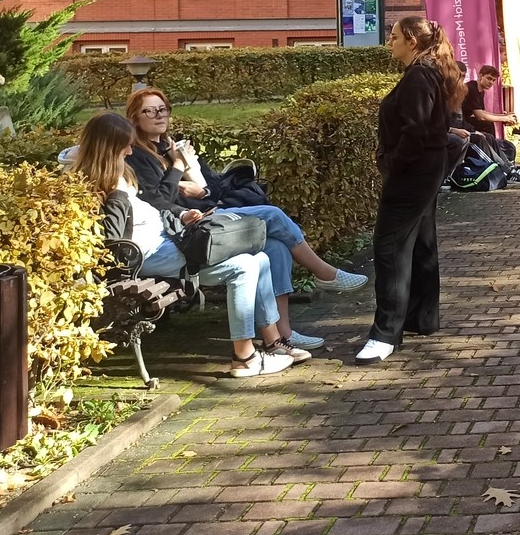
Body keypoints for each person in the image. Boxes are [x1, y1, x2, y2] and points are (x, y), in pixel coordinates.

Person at [124, 87, 367, 350]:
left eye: (163, 109)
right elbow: (156, 200)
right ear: (135, 118)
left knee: (276, 247)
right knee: (273, 215)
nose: (159, 115)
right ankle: (324, 273)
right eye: (150, 111)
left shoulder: (175, 146)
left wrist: (200, 188)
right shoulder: (136, 156)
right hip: (191, 230)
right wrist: (178, 169)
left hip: (214, 216)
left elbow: (216, 186)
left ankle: (283, 334)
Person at [70, 113, 305, 377]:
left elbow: (149, 210)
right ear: (108, 147)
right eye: (125, 146)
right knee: (245, 266)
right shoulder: (107, 186)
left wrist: (181, 216)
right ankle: (245, 358)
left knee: (259, 259)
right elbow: (116, 243)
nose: (129, 151)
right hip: (152, 256)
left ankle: (273, 343)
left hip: (168, 244)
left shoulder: (120, 174)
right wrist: (120, 201)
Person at [357, 16, 461, 365]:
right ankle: (422, 317)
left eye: (394, 37)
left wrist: (393, 164)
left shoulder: (419, 75)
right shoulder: (427, 72)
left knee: (390, 249)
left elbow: (415, 130)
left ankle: (385, 334)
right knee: (421, 243)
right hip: (424, 171)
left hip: (412, 174)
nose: (390, 42)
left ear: (412, 41)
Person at [453, 64, 520, 181]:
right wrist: (504, 119)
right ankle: (503, 170)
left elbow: (482, 112)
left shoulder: (480, 91)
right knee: (483, 134)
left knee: (488, 131)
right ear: (480, 76)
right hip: (460, 125)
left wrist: (503, 116)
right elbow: (480, 116)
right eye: (489, 78)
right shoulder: (471, 88)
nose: (491, 82)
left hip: (464, 123)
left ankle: (508, 166)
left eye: (493, 80)